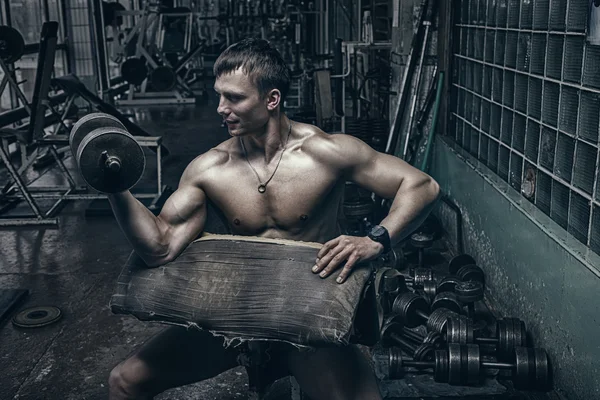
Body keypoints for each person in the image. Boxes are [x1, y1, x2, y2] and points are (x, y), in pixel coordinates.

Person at [107, 38, 440, 400]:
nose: (221, 108)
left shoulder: (326, 153)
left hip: (309, 318)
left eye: (234, 98)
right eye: (219, 95)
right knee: (125, 382)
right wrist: (114, 188)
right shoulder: (210, 169)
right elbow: (159, 246)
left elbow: (421, 186)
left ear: (272, 99)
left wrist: (375, 238)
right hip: (237, 316)